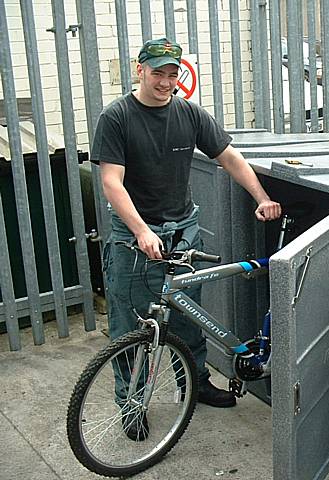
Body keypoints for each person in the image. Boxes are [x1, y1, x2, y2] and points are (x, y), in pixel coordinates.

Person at [91, 38, 281, 438]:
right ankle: (131, 402)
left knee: (187, 316)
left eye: (171, 73)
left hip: (182, 233)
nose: (165, 81)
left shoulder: (189, 114)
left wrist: (261, 197)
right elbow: (112, 182)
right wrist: (141, 229)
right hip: (133, 239)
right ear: (139, 70)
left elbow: (228, 157)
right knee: (130, 325)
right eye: (157, 72)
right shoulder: (117, 117)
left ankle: (193, 383)